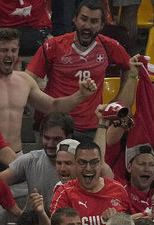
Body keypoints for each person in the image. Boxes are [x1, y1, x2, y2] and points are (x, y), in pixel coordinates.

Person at [27, 0, 133, 139]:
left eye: (94, 21)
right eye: (83, 19)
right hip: (56, 126)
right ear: (74, 19)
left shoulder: (109, 46)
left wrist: (117, 101)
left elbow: (130, 68)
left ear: (102, 25)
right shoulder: (53, 46)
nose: (87, 26)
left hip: (91, 129)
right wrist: (44, 104)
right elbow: (27, 79)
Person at [50, 141, 134, 225]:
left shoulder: (118, 190)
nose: (88, 168)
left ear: (101, 164)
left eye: (94, 162)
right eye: (82, 163)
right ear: (75, 164)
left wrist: (116, 222)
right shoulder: (64, 193)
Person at [0, 113, 75, 209]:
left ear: (69, 137)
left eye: (57, 139)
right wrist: (15, 211)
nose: (50, 144)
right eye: (46, 138)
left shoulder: (81, 163)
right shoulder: (30, 160)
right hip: (35, 222)